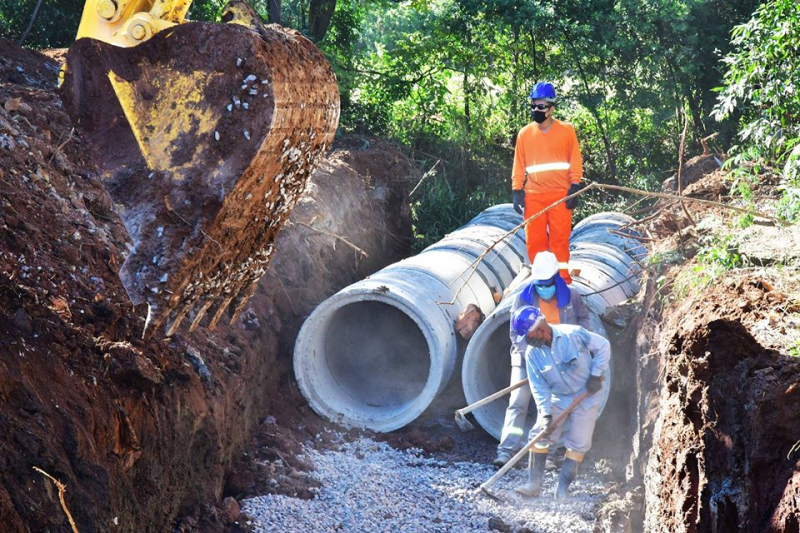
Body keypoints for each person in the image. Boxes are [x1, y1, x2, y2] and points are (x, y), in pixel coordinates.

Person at [492, 251, 590, 468]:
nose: (544, 288)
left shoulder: (571, 297)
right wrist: (533, 358)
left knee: (553, 407)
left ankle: (546, 453)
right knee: (518, 402)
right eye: (539, 284)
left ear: (556, 278)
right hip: (526, 356)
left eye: (547, 283)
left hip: (559, 361)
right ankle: (507, 450)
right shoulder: (523, 298)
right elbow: (515, 334)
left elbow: (584, 320)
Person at [508, 305, 610, 501]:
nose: (527, 342)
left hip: (586, 395)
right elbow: (539, 387)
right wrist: (545, 414)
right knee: (540, 434)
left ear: (540, 329)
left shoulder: (573, 335)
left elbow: (603, 346)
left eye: (528, 336)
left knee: (579, 442)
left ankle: (562, 489)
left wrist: (596, 375)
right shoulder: (532, 354)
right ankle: (533, 484)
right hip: (559, 397)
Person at [511, 82, 583, 284]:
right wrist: (517, 190)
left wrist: (575, 186)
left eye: (541, 106)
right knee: (535, 242)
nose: (536, 110)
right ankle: (541, 280)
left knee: (559, 241)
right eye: (534, 105)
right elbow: (518, 164)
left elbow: (575, 159)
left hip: (561, 195)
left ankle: (562, 281)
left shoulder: (566, 131)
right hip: (533, 196)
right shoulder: (525, 134)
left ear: (551, 108)